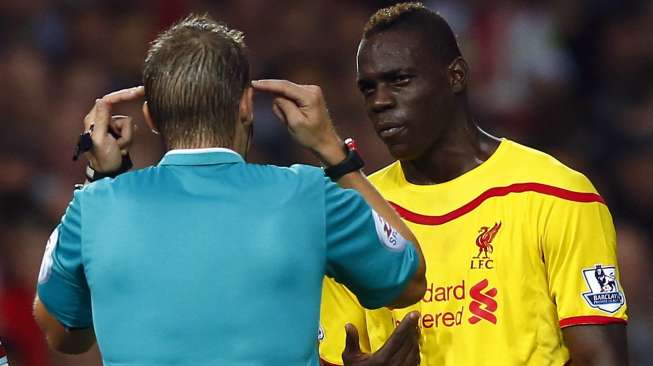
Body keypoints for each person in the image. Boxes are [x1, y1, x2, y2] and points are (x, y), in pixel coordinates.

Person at [33, 14, 427, 365]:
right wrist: (334, 153)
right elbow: (407, 279)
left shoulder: (95, 206)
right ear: (245, 105)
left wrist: (100, 176)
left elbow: (63, 334)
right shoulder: (309, 194)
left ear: (151, 116)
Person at [319, 3, 628, 365]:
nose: (380, 101)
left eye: (399, 80)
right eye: (368, 89)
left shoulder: (556, 193)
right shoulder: (355, 216)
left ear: (456, 76)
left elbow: (602, 359)